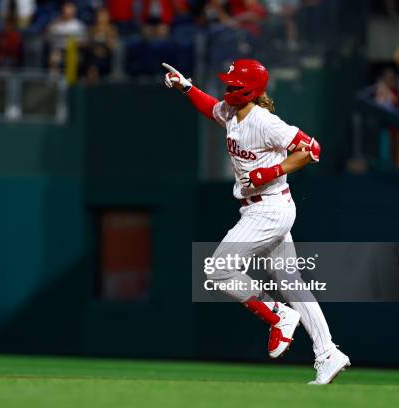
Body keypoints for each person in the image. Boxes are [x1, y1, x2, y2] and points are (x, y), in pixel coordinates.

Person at [163, 59, 350, 385]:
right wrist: (187, 87)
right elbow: (211, 108)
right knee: (294, 286)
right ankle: (328, 353)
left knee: (218, 269)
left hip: (270, 209)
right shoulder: (232, 112)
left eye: (233, 84)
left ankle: (276, 314)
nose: (227, 88)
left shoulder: (264, 122)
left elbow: (311, 149)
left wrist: (273, 170)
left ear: (248, 89)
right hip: (259, 208)